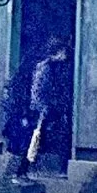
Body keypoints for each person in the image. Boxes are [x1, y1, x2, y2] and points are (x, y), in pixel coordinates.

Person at [26, 36, 71, 172]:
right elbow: (39, 90)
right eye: (63, 51)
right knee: (38, 137)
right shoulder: (46, 68)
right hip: (45, 109)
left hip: (47, 108)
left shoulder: (50, 67)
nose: (66, 54)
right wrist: (43, 108)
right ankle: (30, 165)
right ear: (57, 51)